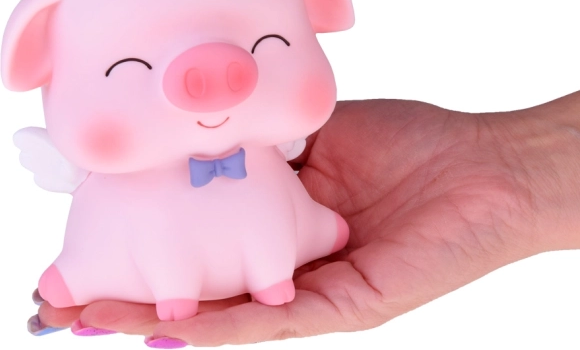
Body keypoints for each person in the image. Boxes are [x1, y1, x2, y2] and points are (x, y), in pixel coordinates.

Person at [28, 95, 580, 347]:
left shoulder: (257, 146)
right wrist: (508, 165)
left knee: (263, 236)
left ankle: (272, 279)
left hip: (285, 228)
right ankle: (261, 279)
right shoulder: (125, 168)